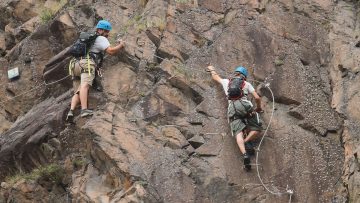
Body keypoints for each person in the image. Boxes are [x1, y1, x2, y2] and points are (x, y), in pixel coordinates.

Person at [66, 20, 125, 121]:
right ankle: (84, 110)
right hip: (86, 64)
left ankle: (71, 111)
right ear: (101, 30)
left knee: (78, 91)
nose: (107, 34)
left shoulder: (88, 38)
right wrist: (121, 45)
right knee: (85, 86)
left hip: (74, 65)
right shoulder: (101, 38)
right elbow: (111, 51)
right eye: (106, 31)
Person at [206, 65, 263, 170]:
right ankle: (246, 141)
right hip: (245, 105)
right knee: (257, 129)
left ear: (235, 74)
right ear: (244, 76)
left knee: (238, 133)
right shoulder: (246, 83)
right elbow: (257, 98)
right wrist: (258, 108)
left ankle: (245, 154)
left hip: (232, 108)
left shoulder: (227, 82)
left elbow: (215, 77)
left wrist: (212, 69)